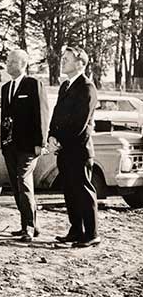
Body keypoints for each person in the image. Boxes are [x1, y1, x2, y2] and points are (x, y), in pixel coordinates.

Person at [47, 47, 100, 248]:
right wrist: (52, 135)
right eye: (63, 58)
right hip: (65, 149)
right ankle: (76, 230)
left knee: (84, 191)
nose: (62, 62)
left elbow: (80, 123)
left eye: (67, 59)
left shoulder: (87, 87)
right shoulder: (65, 86)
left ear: (80, 63)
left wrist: (59, 141)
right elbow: (56, 114)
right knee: (69, 191)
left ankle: (92, 233)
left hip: (79, 151)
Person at [0, 49, 50, 242]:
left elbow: (42, 115)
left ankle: (28, 228)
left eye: (12, 62)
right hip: (9, 146)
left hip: (28, 147)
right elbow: (5, 117)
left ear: (23, 64)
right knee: (16, 185)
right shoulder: (6, 88)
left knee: (23, 182)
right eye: (8, 61)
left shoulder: (34, 84)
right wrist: (3, 143)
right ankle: (28, 225)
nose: (8, 64)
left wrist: (40, 143)